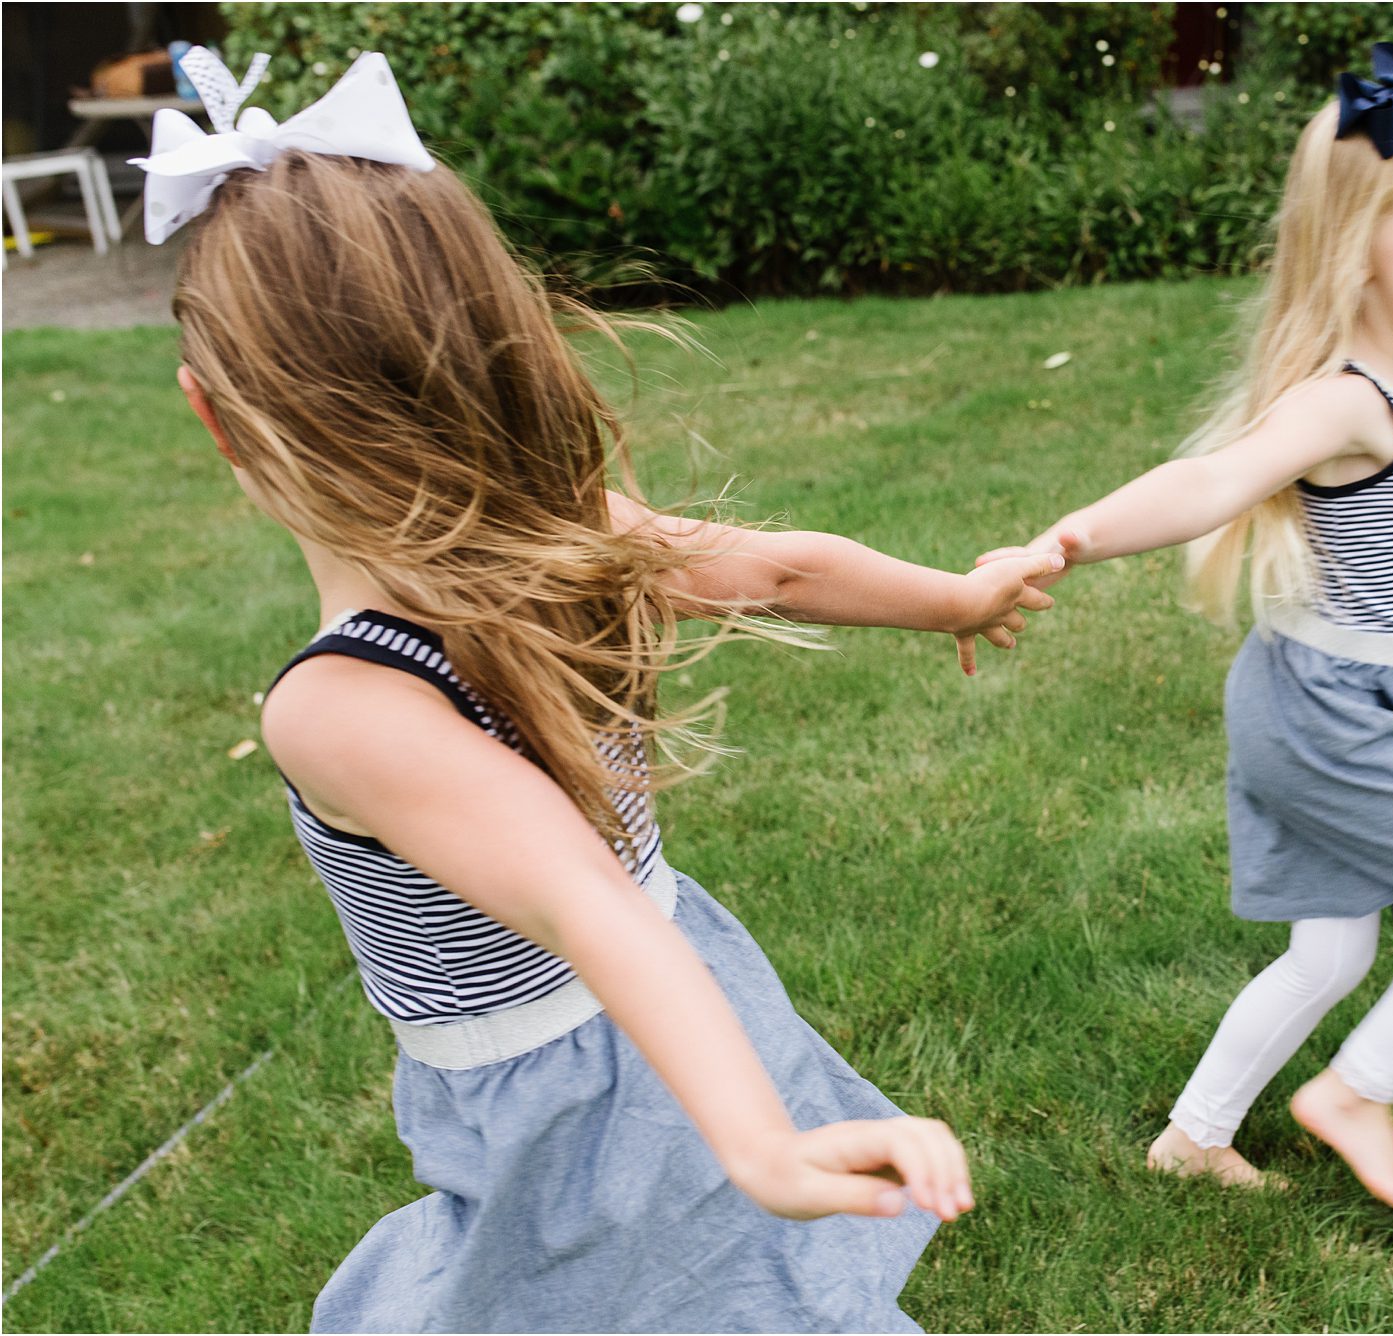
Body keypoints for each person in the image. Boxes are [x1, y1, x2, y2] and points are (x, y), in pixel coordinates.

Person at [137, 49, 1062, 1331]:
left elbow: (581, 902)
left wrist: (759, 1146)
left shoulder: (338, 702)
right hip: (679, 1003)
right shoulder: (567, 535)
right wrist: (952, 596)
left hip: (573, 1124)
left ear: (214, 416)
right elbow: (783, 572)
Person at [978, 45, 1393, 1219]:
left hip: (1370, 692)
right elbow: (1212, 480)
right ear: (1356, 246)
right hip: (1331, 711)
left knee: (1329, 954)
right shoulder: (1350, 397)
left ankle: (1192, 1138)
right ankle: (1357, 1090)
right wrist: (1066, 539)